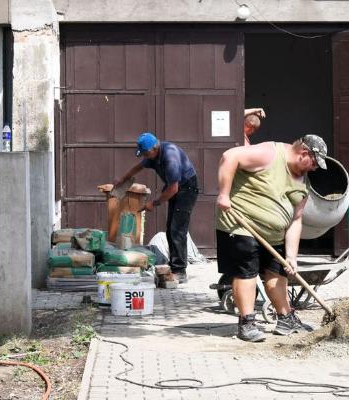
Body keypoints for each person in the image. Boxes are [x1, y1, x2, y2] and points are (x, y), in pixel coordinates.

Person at [215, 134, 328, 342]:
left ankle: (286, 318)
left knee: (278, 272)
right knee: (246, 273)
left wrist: (292, 256)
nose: (314, 168)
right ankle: (247, 323)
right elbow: (229, 156)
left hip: (275, 234)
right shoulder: (269, 154)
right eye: (314, 163)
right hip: (241, 225)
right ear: (304, 153)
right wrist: (224, 194)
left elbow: (296, 220)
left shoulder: (304, 180)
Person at [112, 132, 198, 283]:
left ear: (153, 149)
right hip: (176, 187)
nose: (144, 156)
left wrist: (155, 203)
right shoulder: (153, 155)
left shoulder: (169, 158)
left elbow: (173, 189)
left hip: (186, 189)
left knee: (177, 229)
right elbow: (137, 168)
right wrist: (122, 180)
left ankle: (180, 271)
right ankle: (175, 266)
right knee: (171, 229)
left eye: (145, 153)